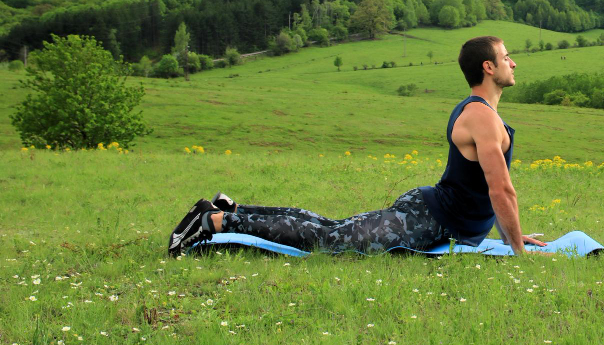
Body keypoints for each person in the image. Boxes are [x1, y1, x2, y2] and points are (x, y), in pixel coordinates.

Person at [167, 35, 546, 256]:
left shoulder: (485, 116)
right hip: (427, 219)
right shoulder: (481, 117)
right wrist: (517, 252)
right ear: (488, 68)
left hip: (434, 214)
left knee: (328, 227)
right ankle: (213, 222)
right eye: (506, 57)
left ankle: (228, 208)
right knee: (331, 240)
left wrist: (513, 234)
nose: (514, 63)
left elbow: (487, 191)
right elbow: (501, 190)